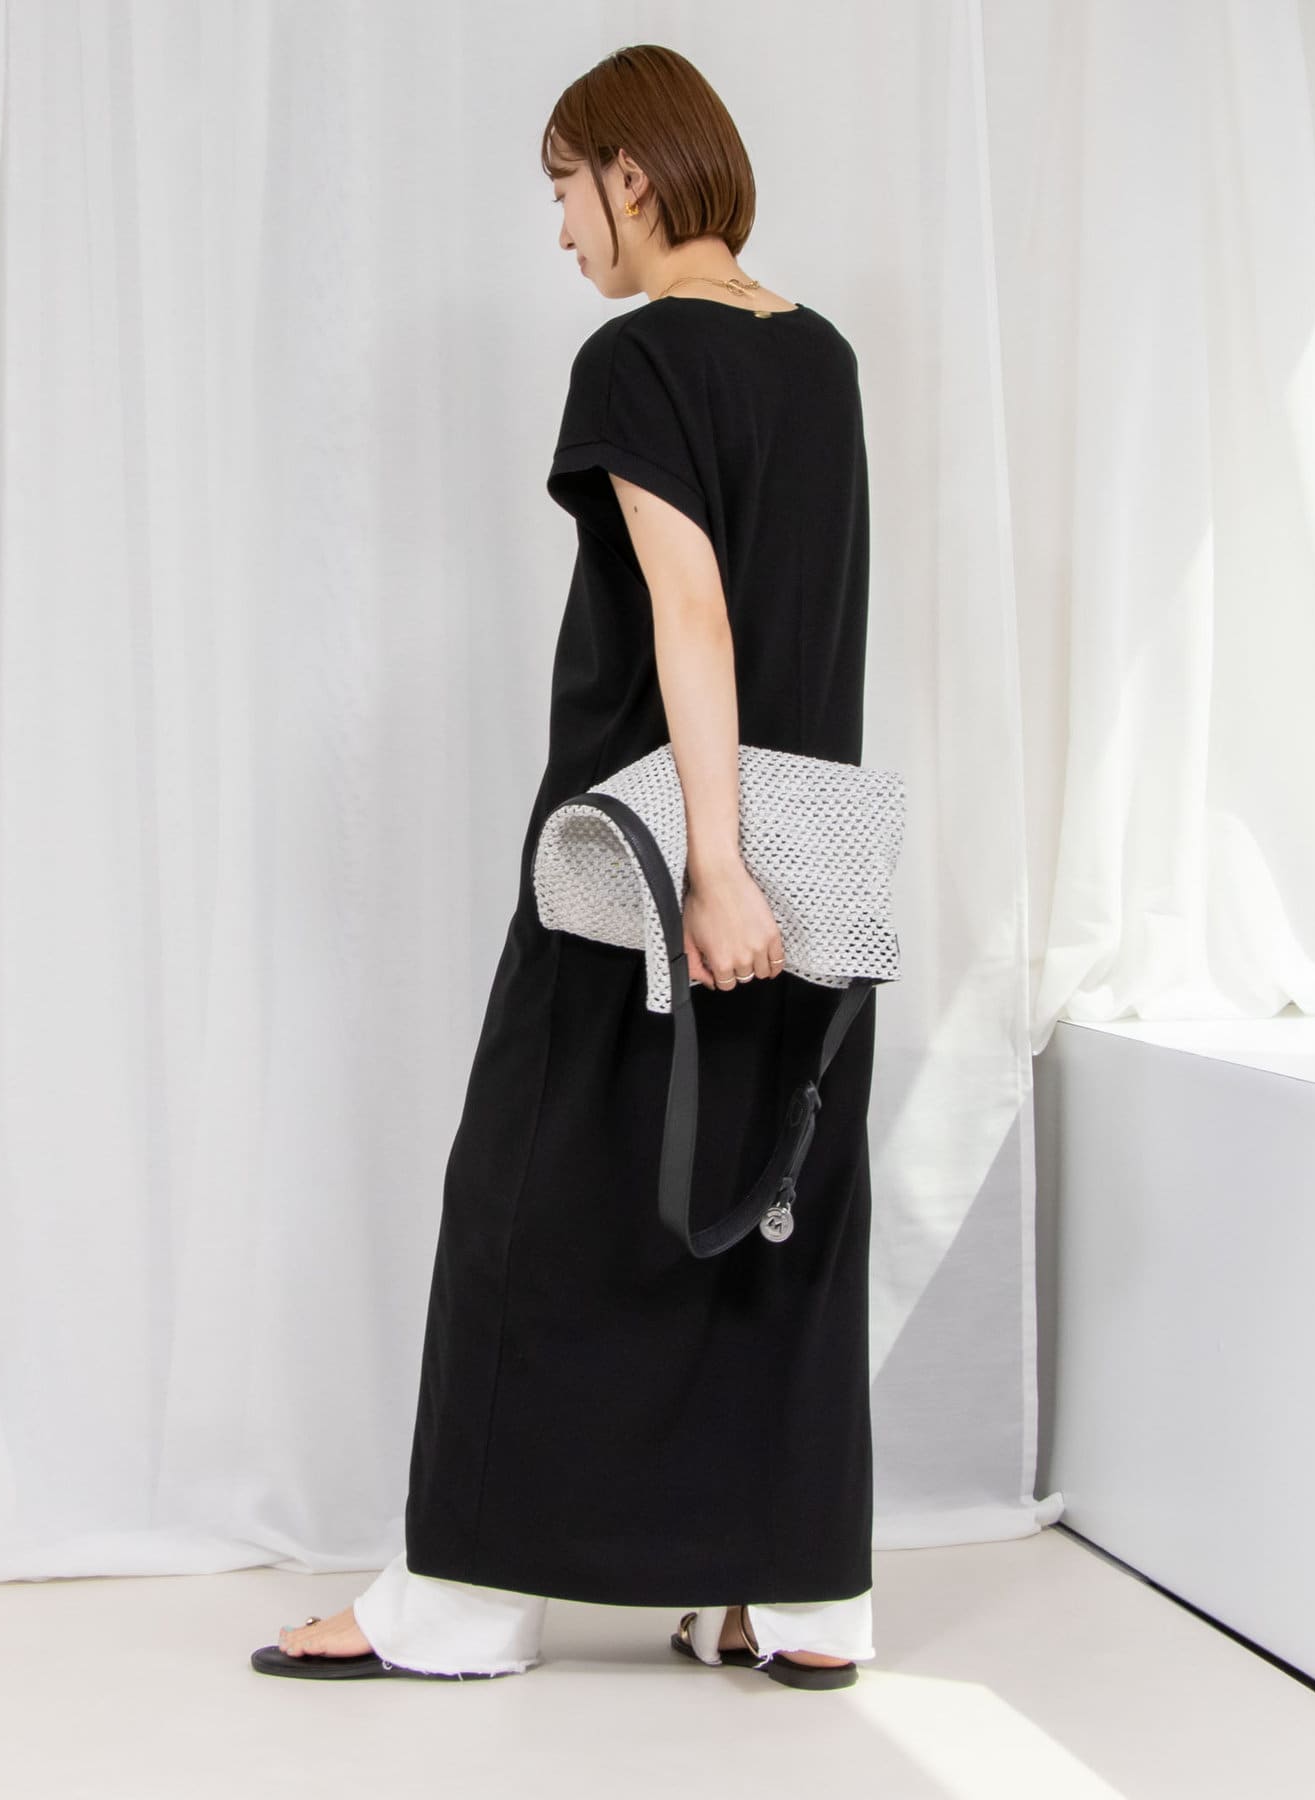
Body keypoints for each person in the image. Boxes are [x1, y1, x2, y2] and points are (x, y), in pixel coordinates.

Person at [252, 43, 878, 1692]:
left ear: (634, 177)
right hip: (813, 872)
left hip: (654, 871)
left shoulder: (639, 356)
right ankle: (790, 1604)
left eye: (565, 190)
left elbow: (692, 610)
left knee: (520, 1210)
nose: (560, 231)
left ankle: (459, 1602)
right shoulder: (822, 358)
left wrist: (712, 867)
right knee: (769, 1223)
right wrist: (763, 869)